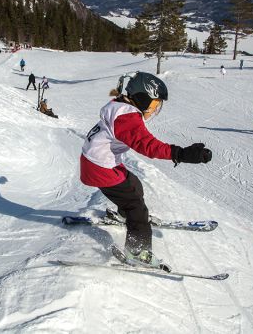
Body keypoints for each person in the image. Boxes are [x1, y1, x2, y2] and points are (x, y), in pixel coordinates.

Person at [80, 72, 212, 267]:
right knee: (137, 207)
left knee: (133, 184)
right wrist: (182, 153)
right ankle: (138, 252)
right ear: (143, 97)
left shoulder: (120, 108)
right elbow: (148, 146)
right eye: (155, 104)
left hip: (97, 163)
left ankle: (125, 215)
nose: (155, 109)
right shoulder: (127, 117)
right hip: (100, 167)